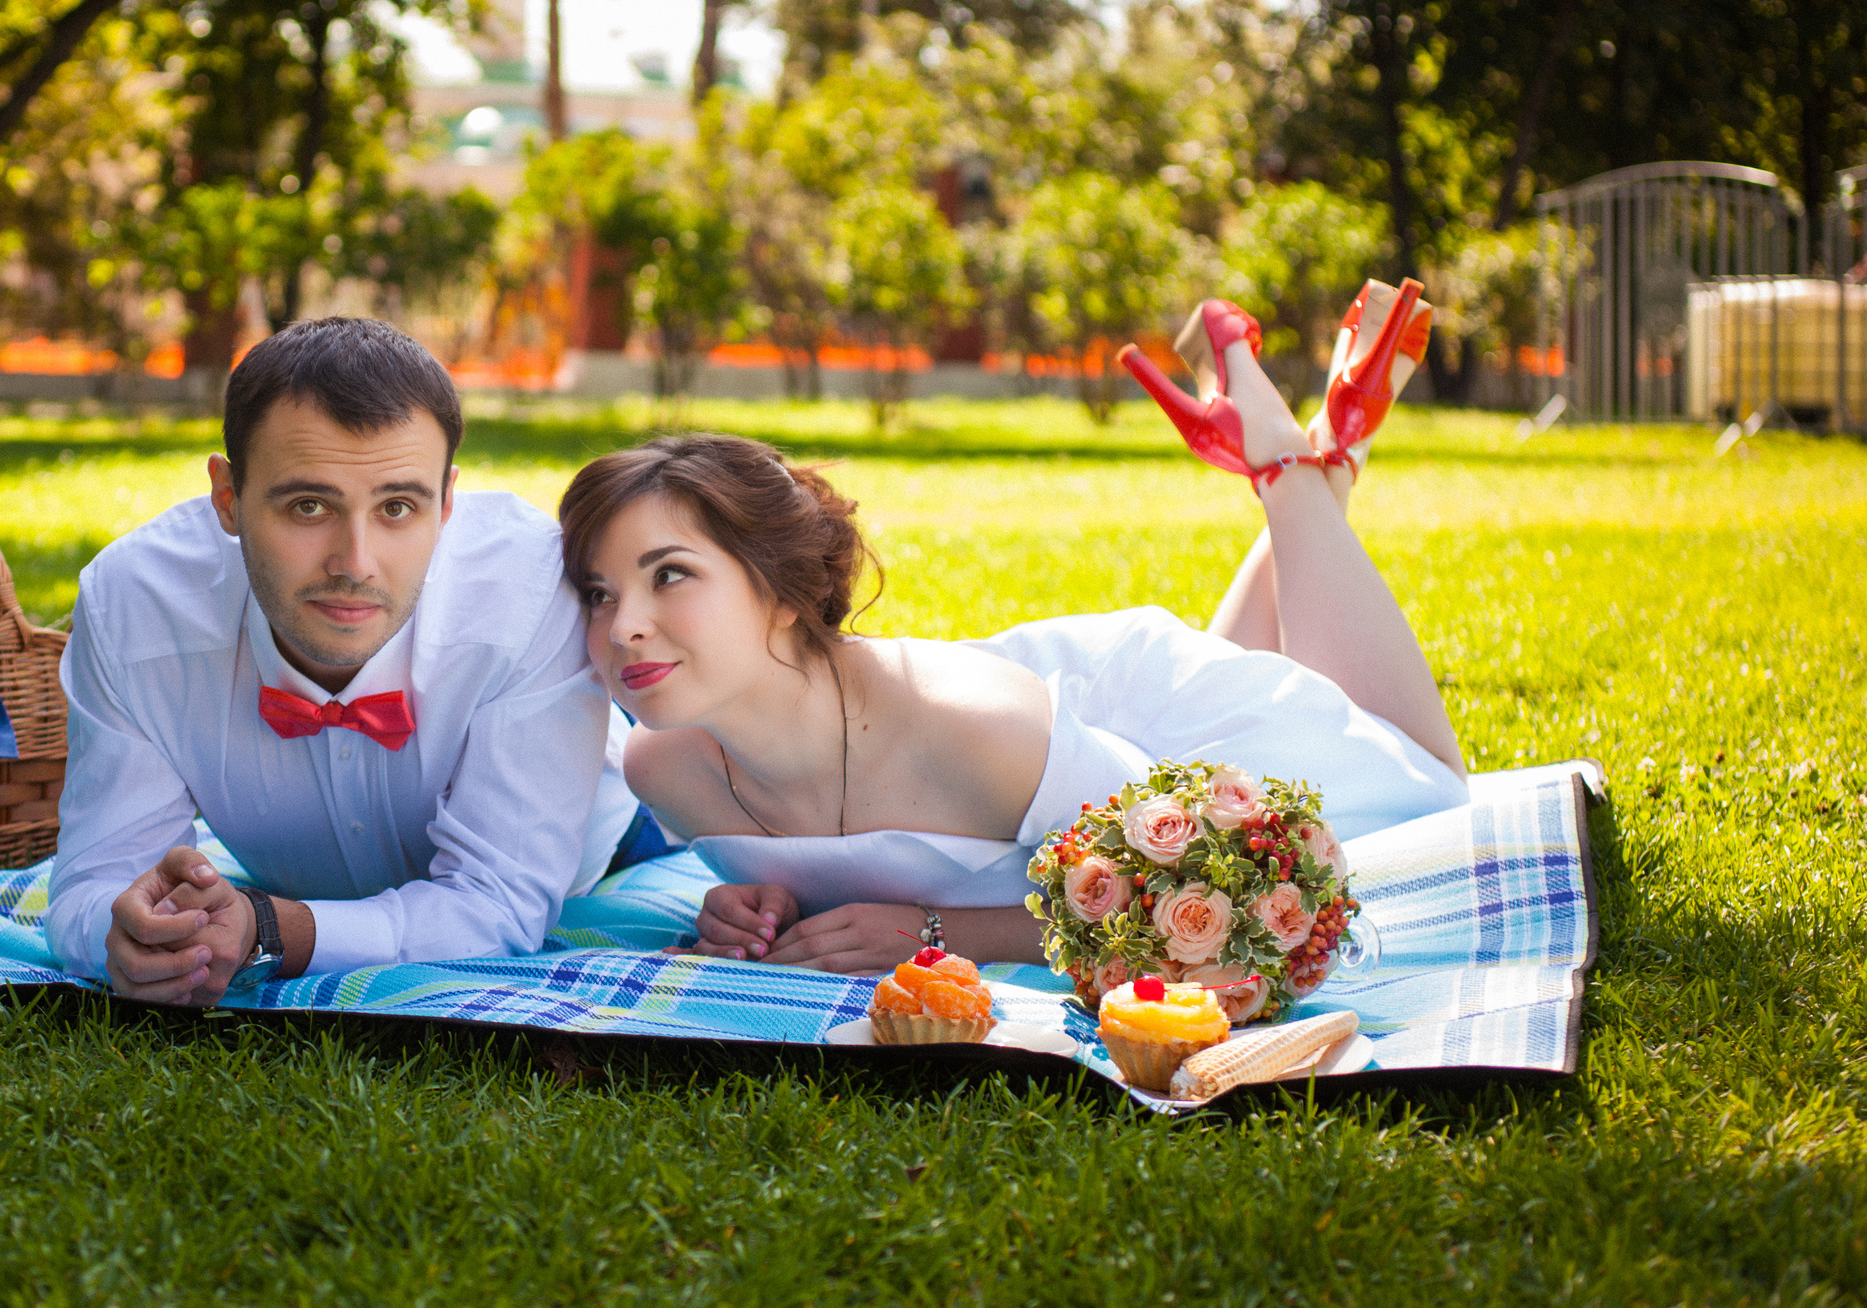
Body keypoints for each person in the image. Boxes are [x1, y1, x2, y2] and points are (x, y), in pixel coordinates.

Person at [557, 281, 1468, 975]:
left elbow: (1213, 885)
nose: (624, 626)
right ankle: (1327, 459)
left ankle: (1285, 463)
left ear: (785, 592)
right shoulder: (664, 764)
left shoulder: (971, 731)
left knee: (1428, 783)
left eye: (669, 575)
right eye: (598, 592)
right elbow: (832, 865)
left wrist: (936, 936)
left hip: (1135, 720)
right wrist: (755, 907)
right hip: (1080, 747)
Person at [47, 318, 636, 1003]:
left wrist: (270, 927)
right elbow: (96, 885)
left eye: (397, 506)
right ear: (228, 498)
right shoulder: (134, 609)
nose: (354, 563)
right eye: (308, 505)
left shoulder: (528, 592)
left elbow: (498, 907)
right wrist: (130, 937)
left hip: (606, 846)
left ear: (447, 504)